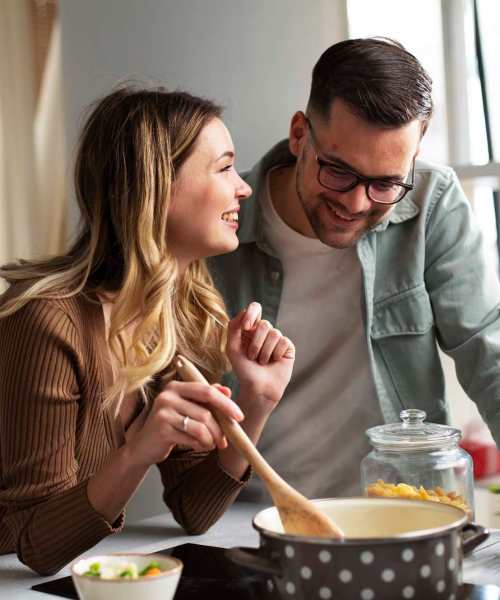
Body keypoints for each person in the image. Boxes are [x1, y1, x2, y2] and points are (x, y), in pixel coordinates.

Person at [0, 86, 295, 575]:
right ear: (157, 187)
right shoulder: (46, 321)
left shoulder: (178, 315)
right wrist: (137, 451)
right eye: (223, 167)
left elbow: (195, 512)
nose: (242, 187)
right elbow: (34, 544)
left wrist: (255, 404)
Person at [208, 37, 500, 503]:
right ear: (300, 134)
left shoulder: (432, 201)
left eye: (385, 183)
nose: (356, 203)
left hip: (403, 509)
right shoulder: (216, 230)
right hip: (256, 518)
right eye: (339, 172)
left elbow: (490, 351)